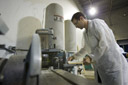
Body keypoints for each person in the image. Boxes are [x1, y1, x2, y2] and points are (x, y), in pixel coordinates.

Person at [68, 12, 128, 85]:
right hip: (101, 67)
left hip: (111, 63)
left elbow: (105, 43)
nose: (76, 26)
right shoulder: (85, 33)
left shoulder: (96, 24)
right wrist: (74, 56)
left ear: (81, 18)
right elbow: (85, 48)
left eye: (76, 23)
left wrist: (90, 57)